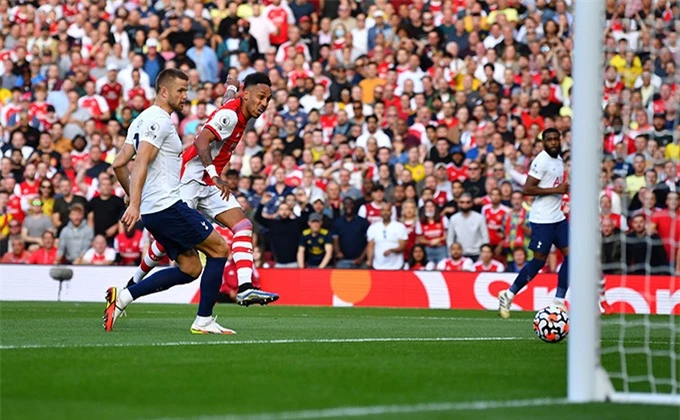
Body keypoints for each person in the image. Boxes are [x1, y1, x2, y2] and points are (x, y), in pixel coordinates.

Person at [120, 72, 279, 307]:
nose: (264, 104)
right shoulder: (230, 116)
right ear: (247, 95)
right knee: (167, 241)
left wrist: (231, 87)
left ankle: (245, 288)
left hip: (208, 183)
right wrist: (215, 175)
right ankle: (132, 284)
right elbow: (201, 141)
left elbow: (227, 100)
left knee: (243, 225)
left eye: (268, 99)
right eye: (260, 97)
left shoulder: (235, 108)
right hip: (190, 180)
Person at [105, 69, 234, 334]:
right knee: (220, 249)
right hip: (167, 206)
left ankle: (124, 297)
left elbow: (119, 164)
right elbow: (140, 160)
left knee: (190, 267)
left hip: (156, 210)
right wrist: (134, 203)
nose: (185, 96)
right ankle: (204, 320)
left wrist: (132, 194)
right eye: (181, 91)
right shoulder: (159, 120)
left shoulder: (141, 120)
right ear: (164, 92)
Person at [498, 128, 570, 319]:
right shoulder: (542, 160)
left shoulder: (558, 159)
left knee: (573, 256)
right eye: (550, 140)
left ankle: (559, 301)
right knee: (539, 261)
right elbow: (528, 189)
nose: (554, 142)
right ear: (544, 142)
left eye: (556, 139)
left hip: (558, 218)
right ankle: (509, 293)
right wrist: (556, 190)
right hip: (542, 219)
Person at [366, 203, 407, 270]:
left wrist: (391, 250)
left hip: (396, 266)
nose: (385, 213)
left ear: (391, 212)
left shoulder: (399, 226)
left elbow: (402, 246)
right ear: (380, 212)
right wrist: (369, 260)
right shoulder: (373, 227)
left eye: (387, 210)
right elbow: (370, 245)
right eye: (383, 210)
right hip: (378, 266)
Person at [332, 198, 369, 269]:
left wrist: (361, 258)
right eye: (346, 204)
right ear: (343, 206)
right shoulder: (337, 222)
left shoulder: (363, 222)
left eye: (350, 204)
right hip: (343, 261)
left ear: (353, 205)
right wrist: (338, 252)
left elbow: (368, 242)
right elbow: (335, 238)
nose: (348, 206)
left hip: (360, 261)